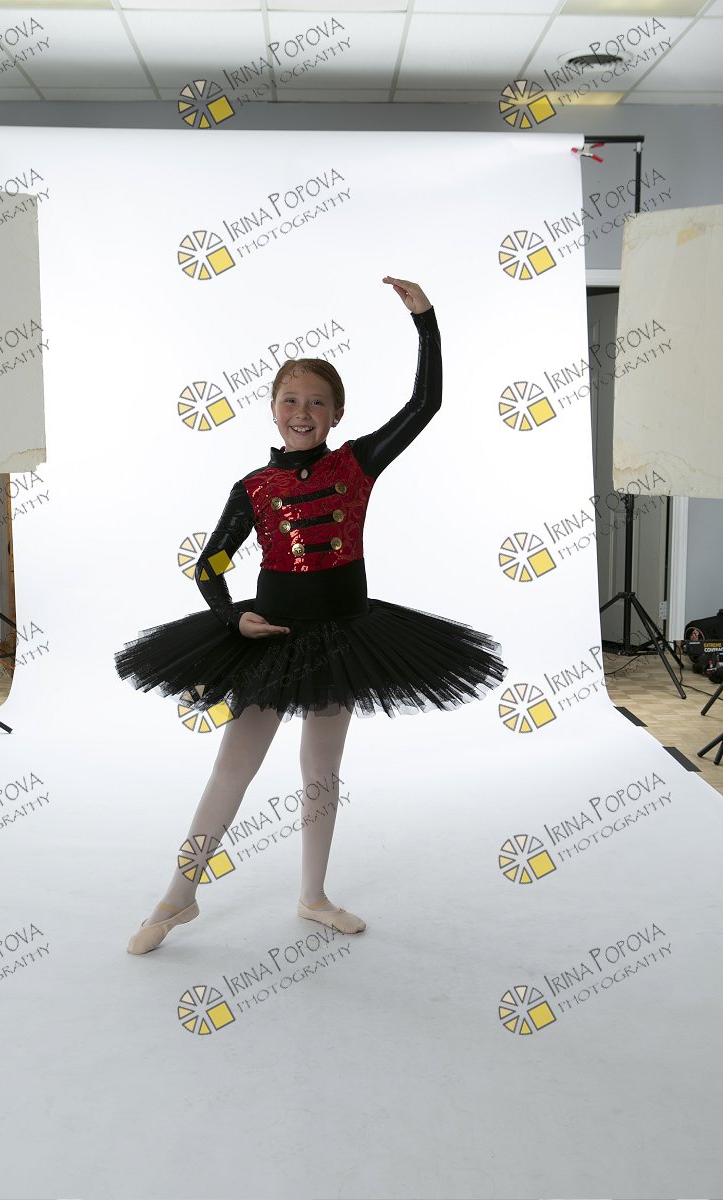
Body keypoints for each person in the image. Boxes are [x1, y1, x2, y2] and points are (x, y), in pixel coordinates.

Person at [114, 275, 508, 954]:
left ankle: (313, 896)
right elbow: (209, 565)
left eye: (317, 402)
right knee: (234, 766)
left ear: (337, 413)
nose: (303, 411)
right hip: (271, 638)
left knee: (321, 771)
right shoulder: (254, 488)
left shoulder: (358, 464)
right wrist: (231, 620)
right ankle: (179, 896)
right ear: (272, 409)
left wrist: (426, 320)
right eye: (291, 400)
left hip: (345, 638)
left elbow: (427, 402)